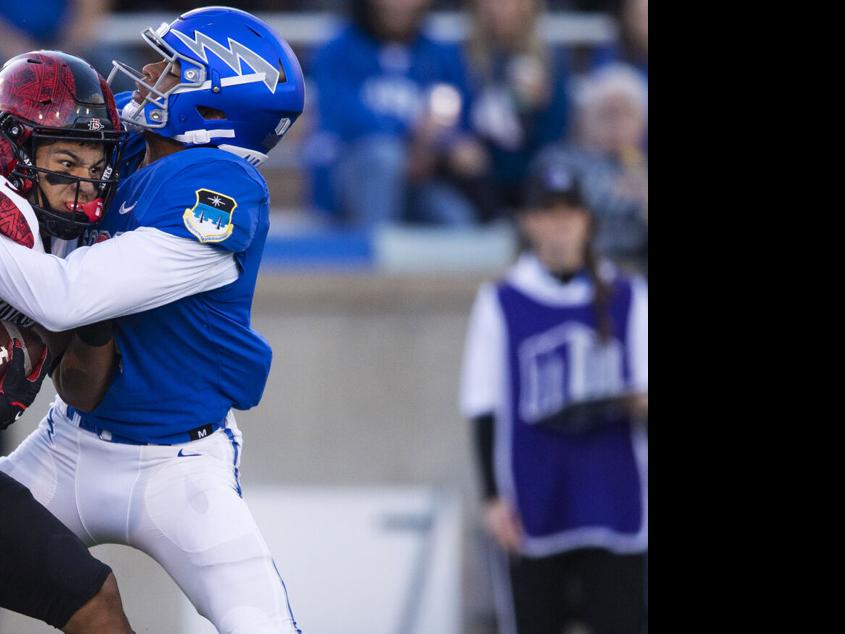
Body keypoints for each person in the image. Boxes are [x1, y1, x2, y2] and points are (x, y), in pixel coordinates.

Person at [0, 7, 305, 633]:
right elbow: (31, 118)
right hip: (70, 440)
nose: (146, 74)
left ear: (214, 107)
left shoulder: (218, 189)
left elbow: (67, 298)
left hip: (178, 467)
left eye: (172, 69)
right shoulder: (128, 141)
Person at [459, 157, 648, 634]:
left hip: (614, 493)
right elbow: (483, 403)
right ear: (529, 223)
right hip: (535, 495)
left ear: (588, 222)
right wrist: (492, 498)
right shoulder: (501, 300)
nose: (560, 227)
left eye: (570, 214)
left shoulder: (628, 296)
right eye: (548, 214)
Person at [0, 50, 133, 633]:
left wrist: (97, 313)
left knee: (92, 597)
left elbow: (80, 389)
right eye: (64, 159)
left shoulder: (69, 248)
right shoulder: (12, 219)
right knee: (92, 600)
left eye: (96, 160)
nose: (84, 183)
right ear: (16, 152)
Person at [308, 0, 489, 227]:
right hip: (350, 179)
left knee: (456, 219)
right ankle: (372, 252)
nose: (400, 5)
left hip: (419, 179)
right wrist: (412, 134)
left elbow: (464, 124)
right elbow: (343, 119)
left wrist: (440, 144)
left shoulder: (440, 54)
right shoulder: (337, 50)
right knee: (384, 156)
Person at [464, 0, 570, 213]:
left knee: (558, 178)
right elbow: (457, 127)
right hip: (478, 179)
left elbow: (555, 136)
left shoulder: (552, 60)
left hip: (530, 173)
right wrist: (459, 143)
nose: (501, 8)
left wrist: (544, 106)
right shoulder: (458, 56)